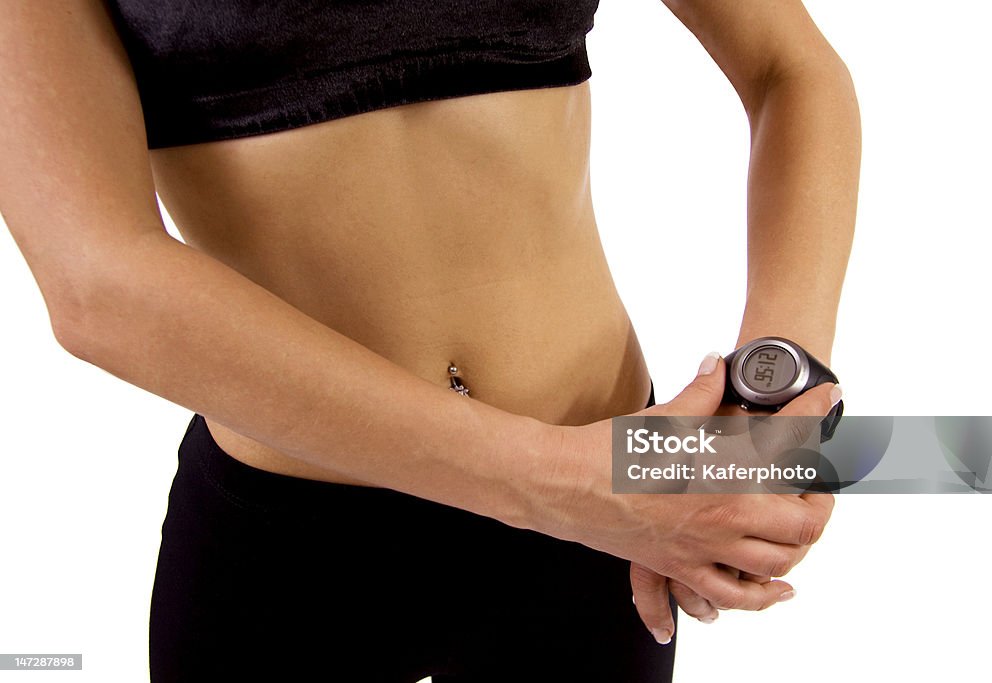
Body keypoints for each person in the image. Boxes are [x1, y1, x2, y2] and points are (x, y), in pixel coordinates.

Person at [0, 0, 858, 680]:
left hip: (606, 518)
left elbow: (791, 68)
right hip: (302, 552)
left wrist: (772, 398)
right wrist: (563, 487)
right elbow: (94, 281)